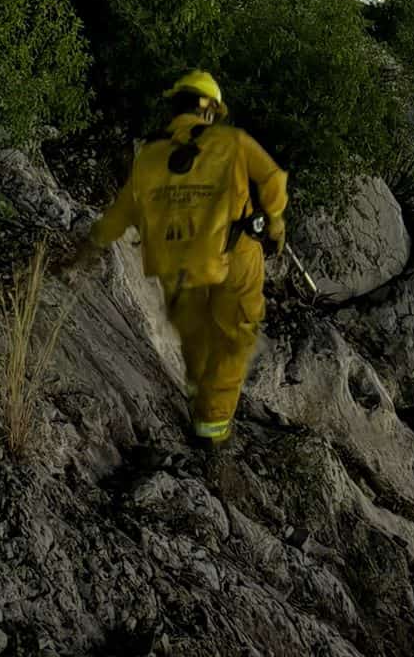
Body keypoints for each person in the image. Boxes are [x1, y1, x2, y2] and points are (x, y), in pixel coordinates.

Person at [67, 71, 287, 445]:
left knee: (194, 335)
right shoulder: (232, 142)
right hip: (236, 257)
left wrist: (85, 250)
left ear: (176, 106)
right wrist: (276, 225)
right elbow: (273, 180)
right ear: (210, 110)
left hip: (179, 262)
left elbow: (121, 214)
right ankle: (212, 430)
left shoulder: (151, 154)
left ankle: (199, 397)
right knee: (234, 336)